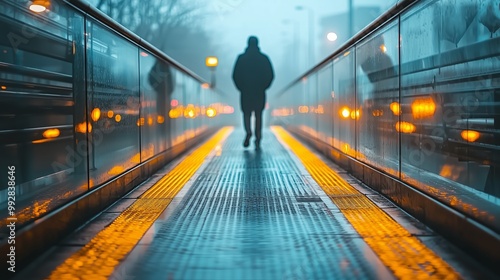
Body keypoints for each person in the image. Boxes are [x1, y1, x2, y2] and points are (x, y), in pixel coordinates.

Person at [232, 36, 274, 149]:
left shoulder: (241, 58)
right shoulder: (264, 58)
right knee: (258, 114)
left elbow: (235, 75)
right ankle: (258, 137)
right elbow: (270, 75)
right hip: (259, 92)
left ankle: (248, 132)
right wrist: (264, 87)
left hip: (245, 92)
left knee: (246, 114)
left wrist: (241, 88)